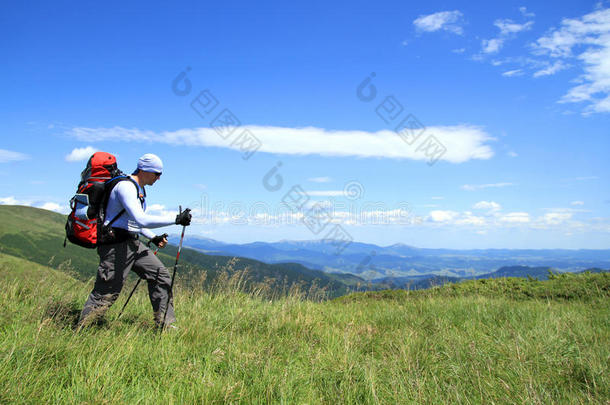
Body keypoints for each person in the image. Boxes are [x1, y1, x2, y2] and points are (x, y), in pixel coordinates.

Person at [77, 153, 192, 329]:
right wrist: (176, 219)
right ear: (145, 170)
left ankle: (166, 325)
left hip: (131, 242)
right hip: (114, 245)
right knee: (106, 291)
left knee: (160, 275)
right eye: (157, 173)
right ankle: (83, 330)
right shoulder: (125, 187)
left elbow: (131, 222)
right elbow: (141, 219)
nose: (159, 178)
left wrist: (152, 237)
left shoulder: (138, 188)